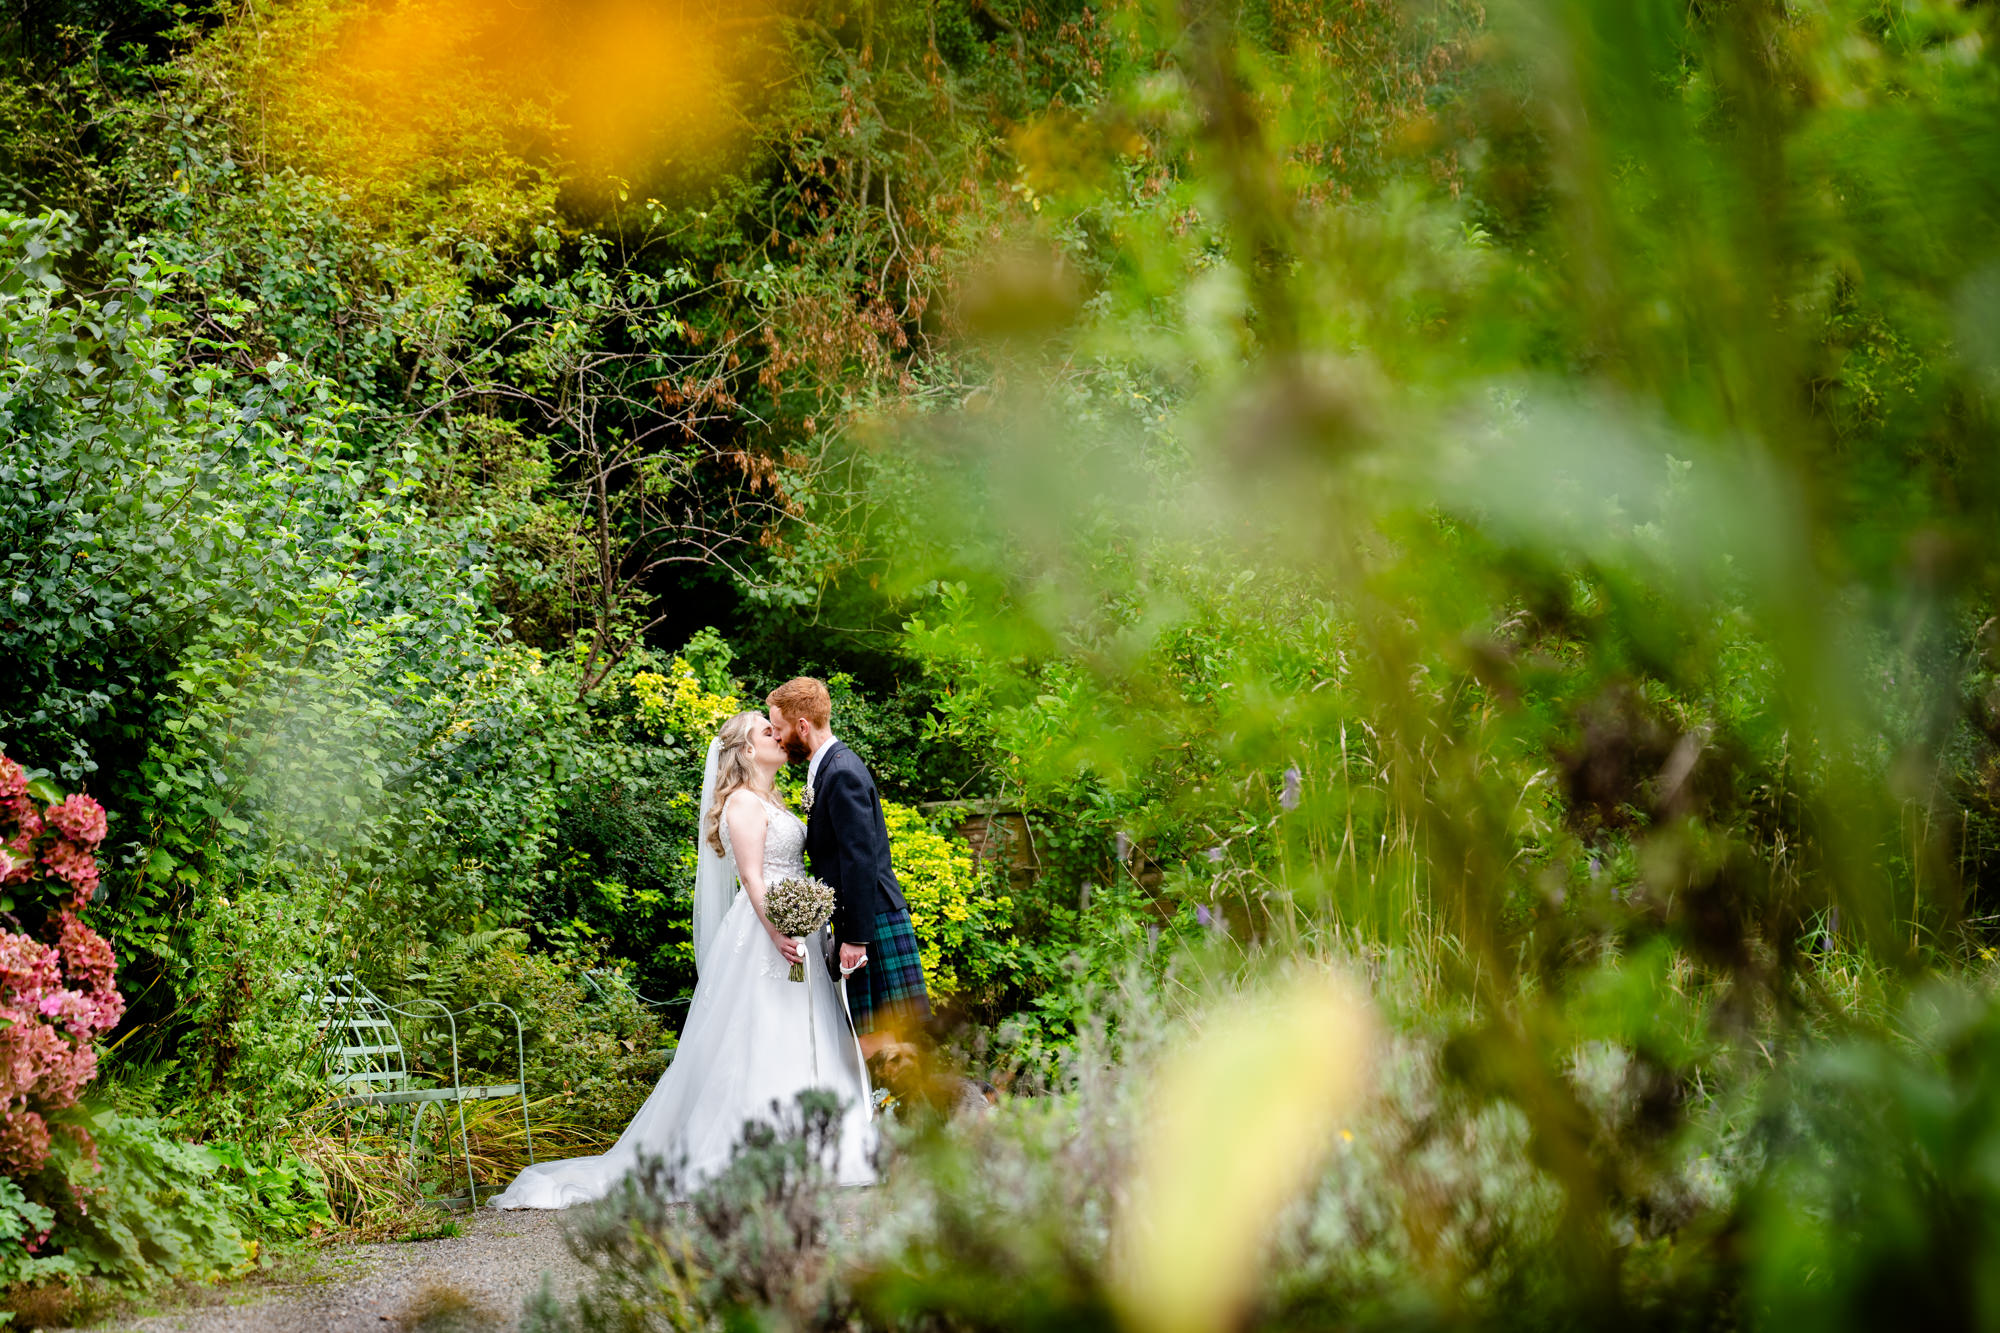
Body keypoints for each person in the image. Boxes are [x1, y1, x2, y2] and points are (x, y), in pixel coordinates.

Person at [488, 710, 873, 1209]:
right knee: (762, 1034)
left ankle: (817, 1149)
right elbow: (754, 879)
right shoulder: (740, 802)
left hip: (796, 925)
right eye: (766, 732)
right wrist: (778, 930)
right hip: (765, 932)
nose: (778, 737)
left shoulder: (773, 798)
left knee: (804, 1031)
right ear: (747, 750)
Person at [766, 677, 932, 1062]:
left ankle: (897, 1113)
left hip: (871, 919)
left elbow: (861, 860)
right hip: (866, 917)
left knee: (882, 1037)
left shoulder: (840, 771)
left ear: (802, 726)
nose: (776, 737)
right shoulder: (829, 766)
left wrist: (856, 938)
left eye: (779, 728)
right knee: (874, 1035)